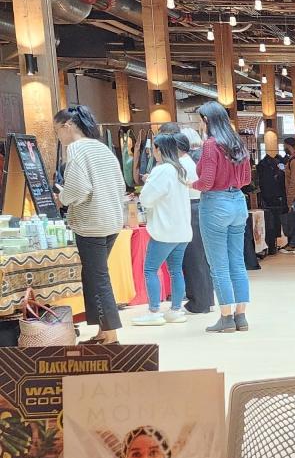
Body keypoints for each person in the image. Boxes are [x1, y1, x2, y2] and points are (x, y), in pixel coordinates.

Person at [53, 104, 127, 343]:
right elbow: (120, 185)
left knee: (97, 277)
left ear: (68, 126)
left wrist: (62, 198)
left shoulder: (76, 149)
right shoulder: (102, 148)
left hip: (91, 223)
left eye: (57, 131)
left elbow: (79, 187)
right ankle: (102, 331)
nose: (59, 137)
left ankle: (111, 334)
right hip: (112, 220)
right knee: (93, 275)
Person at [193, 100, 251, 333]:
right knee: (237, 262)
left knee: (218, 265)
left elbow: (206, 182)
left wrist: (190, 183)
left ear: (206, 120)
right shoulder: (237, 144)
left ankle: (226, 318)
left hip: (215, 204)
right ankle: (241, 317)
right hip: (238, 203)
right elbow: (246, 179)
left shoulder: (210, 145)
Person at [133, 129, 196, 327]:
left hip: (165, 230)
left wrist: (147, 186)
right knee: (176, 270)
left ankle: (154, 311)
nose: (152, 152)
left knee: (150, 269)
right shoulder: (179, 169)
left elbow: (146, 198)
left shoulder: (162, 170)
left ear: (160, 150)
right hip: (182, 230)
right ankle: (175, 309)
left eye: (154, 149)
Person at [175, 127, 214, 314]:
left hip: (191, 208)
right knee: (200, 257)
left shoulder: (181, 165)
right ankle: (206, 298)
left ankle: (199, 302)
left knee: (193, 258)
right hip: (197, 207)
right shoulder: (188, 161)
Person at [256, 148, 287, 256]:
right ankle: (273, 246)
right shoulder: (275, 169)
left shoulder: (262, 167)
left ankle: (270, 246)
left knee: (269, 222)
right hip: (276, 198)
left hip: (266, 198)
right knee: (274, 221)